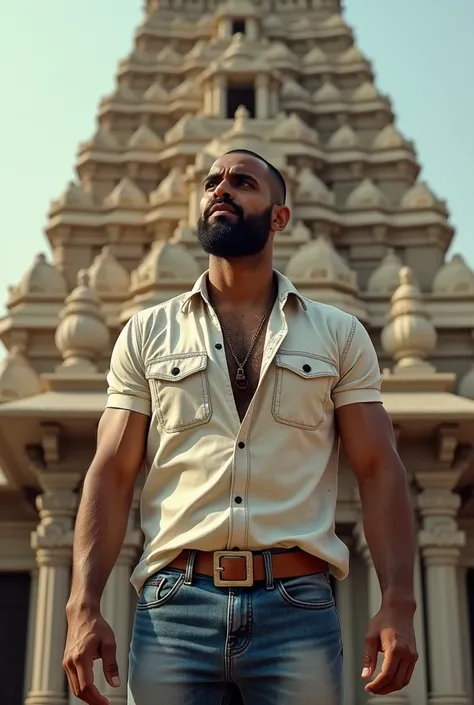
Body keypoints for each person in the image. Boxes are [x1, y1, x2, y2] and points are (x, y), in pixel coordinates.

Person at [63, 149, 418, 705]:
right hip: (174, 606)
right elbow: (110, 471)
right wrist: (83, 605)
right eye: (211, 182)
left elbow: (378, 469)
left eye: (242, 182)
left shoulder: (339, 334)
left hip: (297, 602)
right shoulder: (147, 333)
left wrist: (399, 599)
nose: (221, 189)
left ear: (279, 217)